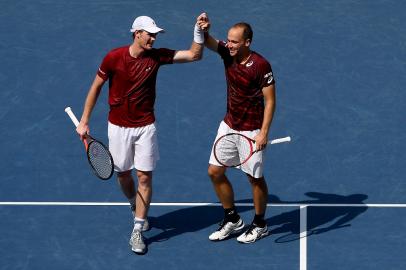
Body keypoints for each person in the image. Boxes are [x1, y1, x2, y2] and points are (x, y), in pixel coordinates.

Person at [76, 13, 210, 254]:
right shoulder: (113, 58)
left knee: (145, 178)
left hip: (145, 127)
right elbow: (96, 87)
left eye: (155, 35)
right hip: (117, 128)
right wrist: (84, 120)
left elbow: (194, 55)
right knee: (123, 175)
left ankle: (137, 228)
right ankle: (133, 203)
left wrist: (198, 31)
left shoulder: (157, 57)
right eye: (150, 34)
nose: (153, 38)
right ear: (137, 33)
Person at [203, 18, 276, 243]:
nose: (229, 45)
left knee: (254, 178)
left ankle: (260, 224)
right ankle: (232, 218)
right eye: (228, 41)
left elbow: (270, 101)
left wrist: (263, 132)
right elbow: (207, 42)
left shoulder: (261, 65)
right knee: (215, 172)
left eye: (235, 42)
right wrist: (202, 30)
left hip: (252, 130)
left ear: (247, 42)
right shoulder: (227, 53)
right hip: (229, 125)